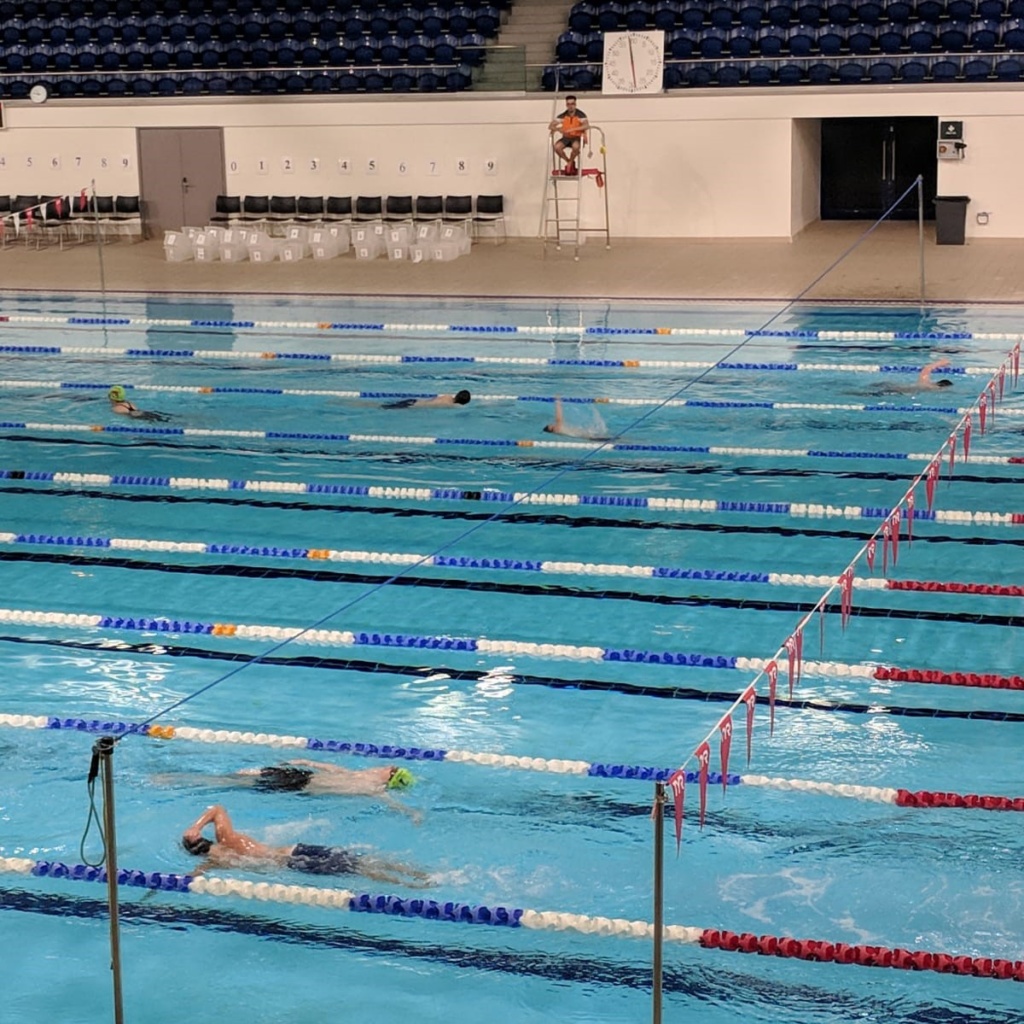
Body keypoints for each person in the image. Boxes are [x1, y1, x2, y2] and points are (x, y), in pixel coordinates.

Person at [181, 803, 432, 886]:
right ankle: (419, 872)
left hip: (292, 862)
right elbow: (217, 808)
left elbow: (196, 875)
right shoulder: (228, 837)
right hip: (295, 848)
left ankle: (408, 885)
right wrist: (197, 824)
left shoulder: (217, 860)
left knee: (357, 869)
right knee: (361, 859)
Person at [154, 760, 422, 822]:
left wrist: (300, 762)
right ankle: (177, 779)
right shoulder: (369, 786)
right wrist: (412, 814)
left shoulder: (365, 779)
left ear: (390, 775)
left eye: (391, 767)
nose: (386, 764)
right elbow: (393, 805)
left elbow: (322, 765)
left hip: (297, 778)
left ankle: (175, 777)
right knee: (230, 781)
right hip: (300, 783)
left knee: (231, 778)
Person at [548, 95, 589, 175]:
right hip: (566, 138)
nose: (570, 106)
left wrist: (573, 129)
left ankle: (570, 162)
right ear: (566, 105)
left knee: (576, 146)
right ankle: (569, 161)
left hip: (577, 137)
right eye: (568, 104)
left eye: (572, 104)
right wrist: (558, 129)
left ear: (575, 104)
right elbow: (551, 126)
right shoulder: (563, 115)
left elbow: (586, 125)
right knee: (557, 147)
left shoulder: (581, 115)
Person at [543, 396, 611, 440]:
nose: (553, 424)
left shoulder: (558, 431)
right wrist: (557, 402)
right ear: (551, 429)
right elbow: (559, 418)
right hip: (590, 436)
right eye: (551, 425)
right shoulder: (557, 429)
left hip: (589, 436)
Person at [382, 389, 471, 409]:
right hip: (412, 406)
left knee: (385, 406)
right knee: (384, 407)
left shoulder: (447, 396)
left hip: (414, 400)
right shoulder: (450, 406)